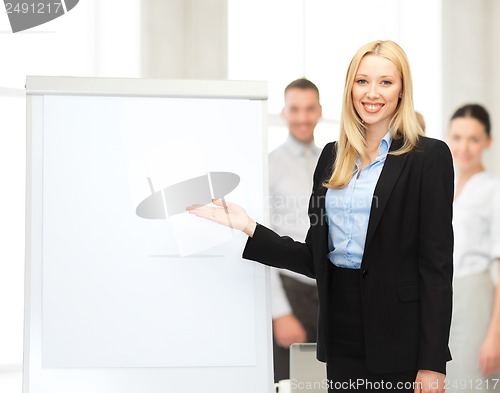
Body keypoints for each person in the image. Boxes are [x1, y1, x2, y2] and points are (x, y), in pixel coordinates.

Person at [188, 40, 454, 393]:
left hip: (399, 335)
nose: (372, 93)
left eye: (385, 82)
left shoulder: (428, 157)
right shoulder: (332, 157)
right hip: (341, 330)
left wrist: (432, 362)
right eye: (362, 81)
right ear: (350, 88)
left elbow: (435, 268)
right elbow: (316, 258)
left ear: (402, 89)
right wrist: (248, 226)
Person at [269, 78, 322, 382]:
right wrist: (280, 311)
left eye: (309, 108)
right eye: (295, 109)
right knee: (291, 383)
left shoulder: (333, 161)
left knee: (328, 382)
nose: (302, 117)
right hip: (292, 291)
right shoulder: (270, 165)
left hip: (330, 292)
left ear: (319, 111)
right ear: (283, 113)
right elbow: (262, 241)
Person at [446, 104, 500, 392]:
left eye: (474, 139)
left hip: (475, 298)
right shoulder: (441, 185)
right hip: (440, 298)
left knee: (471, 383)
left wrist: (496, 335)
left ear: (488, 142)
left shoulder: (494, 190)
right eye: (457, 137)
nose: (464, 147)